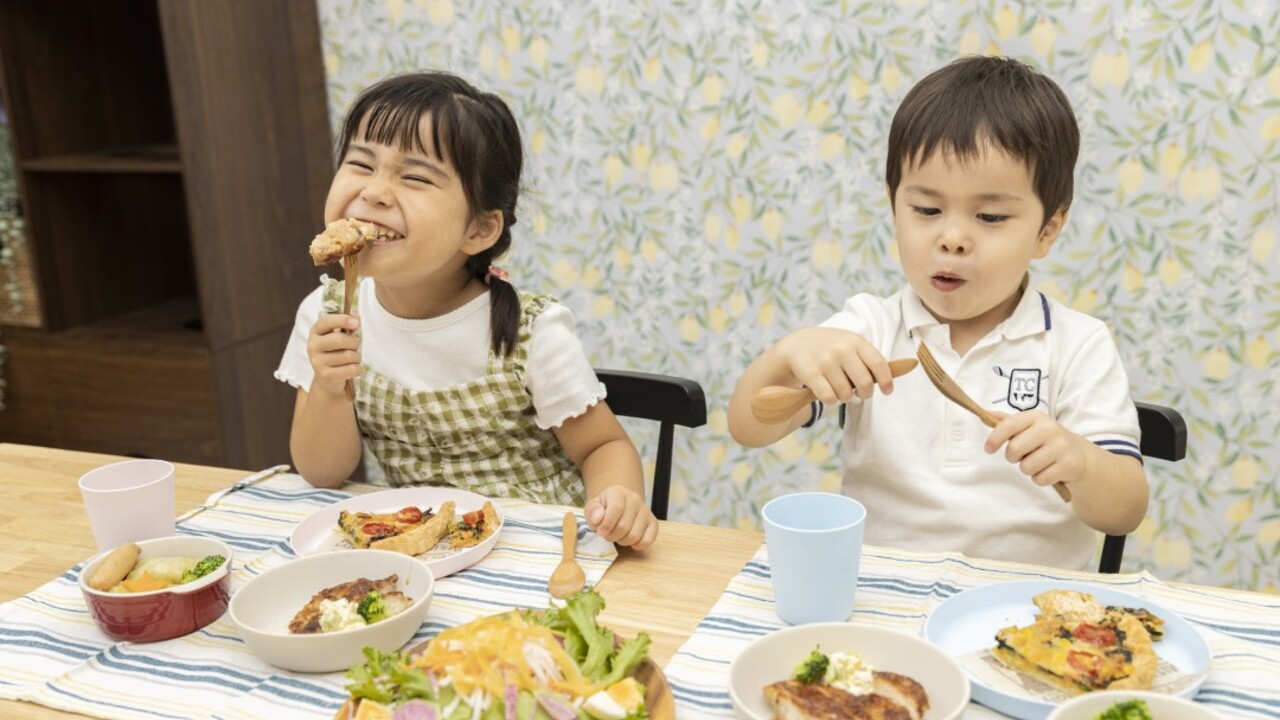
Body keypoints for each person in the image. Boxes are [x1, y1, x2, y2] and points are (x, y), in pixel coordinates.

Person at [727, 56, 1147, 569]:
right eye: (926, 210)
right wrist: (790, 354)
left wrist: (1080, 462)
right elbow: (748, 426)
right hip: (881, 599)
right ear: (893, 205)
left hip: (1026, 612)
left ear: (1047, 230)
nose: (951, 238)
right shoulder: (870, 327)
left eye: (990, 216)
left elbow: (1125, 511)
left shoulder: (1078, 344)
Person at [275, 71, 657, 549]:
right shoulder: (325, 313)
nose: (373, 191)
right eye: (361, 163)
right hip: (419, 544)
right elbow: (323, 472)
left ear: (479, 229)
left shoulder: (532, 332)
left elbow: (603, 445)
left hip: (534, 547)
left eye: (414, 176)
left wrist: (618, 499)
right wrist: (331, 389)